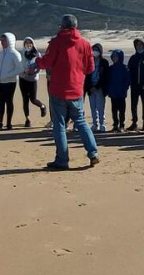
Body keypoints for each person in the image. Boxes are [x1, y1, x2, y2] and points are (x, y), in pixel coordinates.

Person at [33, 14, 100, 170]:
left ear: (62, 26)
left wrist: (37, 61)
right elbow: (90, 68)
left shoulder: (56, 42)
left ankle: (62, 160)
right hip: (76, 89)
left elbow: (46, 63)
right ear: (75, 27)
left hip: (58, 89)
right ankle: (93, 153)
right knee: (81, 122)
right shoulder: (84, 43)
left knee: (60, 125)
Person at [0, 32, 26, 131]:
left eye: (4, 40)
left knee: (9, 102)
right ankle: (0, 122)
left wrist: (8, 75)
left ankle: (9, 123)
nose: (2, 42)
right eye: (1, 40)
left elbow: (20, 68)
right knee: (0, 102)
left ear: (10, 41)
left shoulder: (15, 53)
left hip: (10, 82)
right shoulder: (0, 53)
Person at [18, 37, 48, 127]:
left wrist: (33, 71)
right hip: (23, 78)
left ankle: (42, 106)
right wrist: (23, 70)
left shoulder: (37, 54)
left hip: (33, 79)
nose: (28, 45)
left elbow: (40, 66)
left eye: (30, 43)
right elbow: (19, 65)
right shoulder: (22, 53)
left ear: (33, 44)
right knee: (25, 99)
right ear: (24, 44)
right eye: (26, 43)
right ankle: (27, 119)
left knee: (33, 99)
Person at [126, 39, 144, 131]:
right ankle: (134, 123)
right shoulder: (133, 58)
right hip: (134, 85)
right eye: (137, 45)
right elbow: (129, 71)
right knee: (134, 104)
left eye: (141, 45)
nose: (139, 47)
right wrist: (129, 83)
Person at [85, 42, 108, 130]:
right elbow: (87, 76)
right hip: (91, 88)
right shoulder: (89, 62)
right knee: (92, 107)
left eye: (97, 50)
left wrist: (97, 86)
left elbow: (105, 77)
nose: (94, 52)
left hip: (100, 88)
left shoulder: (104, 62)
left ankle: (102, 123)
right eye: (93, 50)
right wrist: (89, 87)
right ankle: (95, 124)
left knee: (100, 107)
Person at [106, 48, 130, 132]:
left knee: (122, 110)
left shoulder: (125, 68)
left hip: (122, 93)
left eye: (116, 56)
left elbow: (127, 80)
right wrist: (109, 90)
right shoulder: (111, 68)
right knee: (114, 110)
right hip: (113, 93)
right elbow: (108, 80)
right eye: (113, 57)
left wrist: (124, 89)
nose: (114, 58)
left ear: (120, 57)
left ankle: (122, 125)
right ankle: (115, 124)